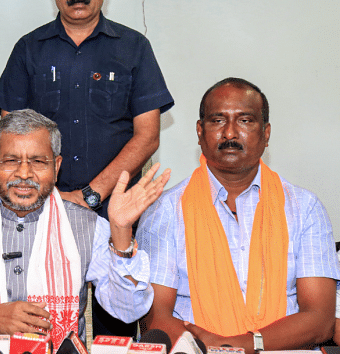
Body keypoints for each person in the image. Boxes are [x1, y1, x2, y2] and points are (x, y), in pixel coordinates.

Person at [0, 0, 174, 335]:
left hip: (117, 212)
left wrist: (90, 195)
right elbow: (11, 136)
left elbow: (147, 136)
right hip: (41, 212)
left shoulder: (133, 47)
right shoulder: (28, 49)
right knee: (42, 322)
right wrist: (54, 198)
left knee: (117, 322)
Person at [0, 109, 170, 349]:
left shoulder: (86, 226)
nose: (24, 173)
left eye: (38, 161)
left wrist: (121, 232)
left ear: (56, 167)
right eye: (11, 160)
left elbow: (128, 309)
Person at [137, 78, 340, 353]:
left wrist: (237, 346)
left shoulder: (305, 208)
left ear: (266, 134)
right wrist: (206, 348)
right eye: (217, 120)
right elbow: (155, 318)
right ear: (200, 131)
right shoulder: (165, 211)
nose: (230, 133)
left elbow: (320, 320)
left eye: (245, 120)